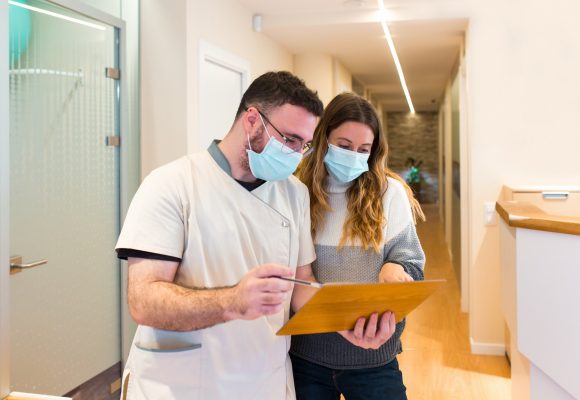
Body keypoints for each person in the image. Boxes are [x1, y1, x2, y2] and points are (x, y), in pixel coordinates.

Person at [115, 71, 325, 399]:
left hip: (264, 380)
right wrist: (233, 302)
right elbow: (144, 301)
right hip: (183, 385)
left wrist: (351, 320)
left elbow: (302, 284)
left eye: (305, 145)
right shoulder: (172, 183)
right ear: (252, 120)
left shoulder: (294, 193)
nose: (297, 155)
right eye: (290, 140)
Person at [290, 92, 426, 400]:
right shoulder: (296, 192)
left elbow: (413, 266)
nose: (354, 156)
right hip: (307, 357)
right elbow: (295, 276)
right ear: (322, 139)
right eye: (344, 146)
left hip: (374, 360)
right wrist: (337, 320)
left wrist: (397, 268)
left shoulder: (389, 193)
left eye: (364, 149)